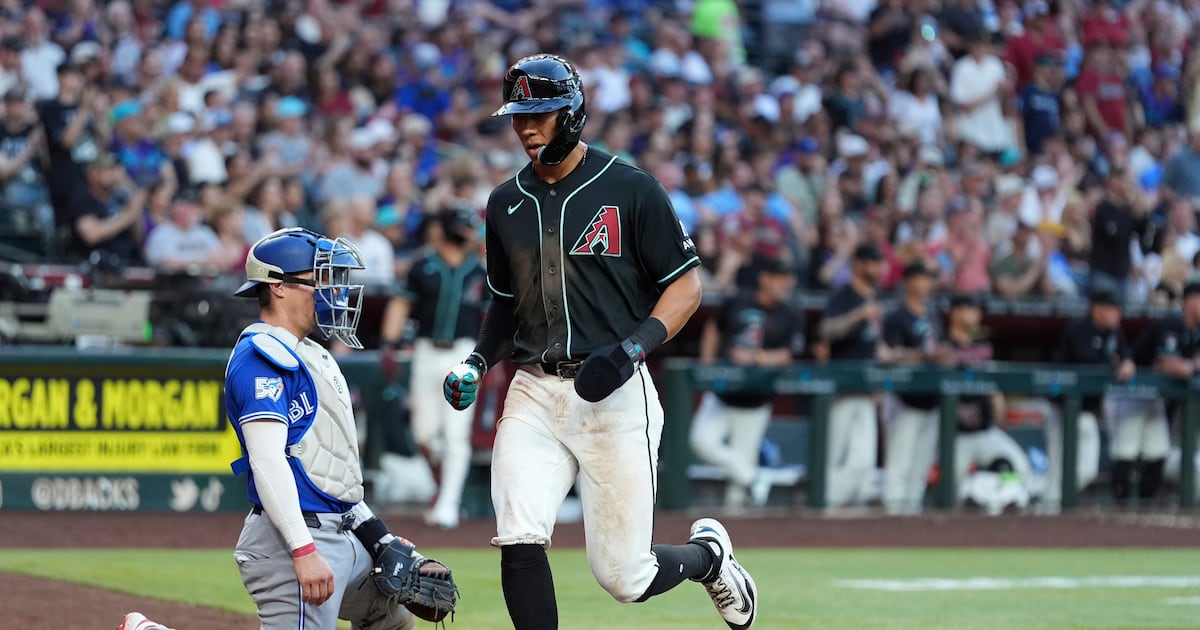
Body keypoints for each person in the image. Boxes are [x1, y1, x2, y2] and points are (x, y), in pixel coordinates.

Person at [441, 54, 757, 630]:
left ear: (574, 112)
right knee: (518, 530)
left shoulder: (631, 188)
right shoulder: (503, 202)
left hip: (612, 392)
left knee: (624, 576)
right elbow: (506, 303)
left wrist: (632, 349)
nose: (527, 128)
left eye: (541, 114)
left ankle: (710, 560)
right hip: (533, 391)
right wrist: (477, 360)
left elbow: (686, 288)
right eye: (518, 116)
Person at [224, 227, 455, 629]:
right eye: (321, 279)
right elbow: (266, 461)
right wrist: (302, 549)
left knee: (393, 618)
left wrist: (382, 540)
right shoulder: (261, 357)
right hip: (293, 538)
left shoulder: (310, 353)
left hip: (343, 532)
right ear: (278, 287)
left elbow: (334, 475)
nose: (333, 292)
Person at [378, 205, 488, 529]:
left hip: (463, 352)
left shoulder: (478, 271)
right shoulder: (423, 266)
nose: (469, 234)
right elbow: (401, 304)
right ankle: (443, 485)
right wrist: (389, 342)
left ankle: (449, 503)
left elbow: (490, 318)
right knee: (423, 432)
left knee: (456, 434)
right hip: (425, 350)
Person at [689, 255, 805, 509]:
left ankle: (740, 532)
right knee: (700, 441)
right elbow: (713, 328)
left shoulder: (790, 314)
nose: (785, 284)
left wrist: (757, 357)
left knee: (737, 489)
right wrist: (707, 363)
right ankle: (755, 478)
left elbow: (788, 355)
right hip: (722, 393)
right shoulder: (737, 301)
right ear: (765, 278)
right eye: (779, 278)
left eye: (787, 279)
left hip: (755, 400)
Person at [944, 294, 1036, 504]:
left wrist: (998, 408)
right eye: (969, 308)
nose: (974, 314)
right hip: (953, 435)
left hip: (985, 431)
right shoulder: (943, 345)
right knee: (950, 486)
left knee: (1019, 466)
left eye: (977, 310)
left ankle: (998, 494)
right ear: (955, 312)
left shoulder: (983, 346)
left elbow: (992, 386)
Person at [1048, 288, 1131, 509]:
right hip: (1062, 408)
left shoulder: (1114, 332)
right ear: (1097, 309)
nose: (1117, 315)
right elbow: (1088, 360)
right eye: (1112, 310)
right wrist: (1112, 362)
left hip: (1085, 412)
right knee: (1058, 463)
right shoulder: (1079, 328)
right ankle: (1048, 508)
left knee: (1086, 468)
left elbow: (1126, 354)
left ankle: (1050, 497)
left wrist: (1126, 362)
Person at [817, 242, 886, 507]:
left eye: (880, 262)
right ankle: (823, 510)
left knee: (863, 461)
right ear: (858, 263)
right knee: (833, 456)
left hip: (867, 391)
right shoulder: (843, 295)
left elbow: (875, 346)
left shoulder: (877, 298)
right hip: (842, 388)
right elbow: (826, 331)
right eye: (872, 262)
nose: (878, 268)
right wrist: (858, 315)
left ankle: (838, 510)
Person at [881, 261, 948, 515]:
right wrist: (922, 355)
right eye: (921, 278)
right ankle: (893, 515)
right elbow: (889, 355)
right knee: (900, 461)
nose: (926, 284)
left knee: (921, 464)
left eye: (929, 279)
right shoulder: (897, 315)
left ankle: (912, 514)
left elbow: (937, 348)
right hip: (903, 398)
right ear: (908, 281)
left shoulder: (932, 314)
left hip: (930, 398)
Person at [1126, 282, 1200, 505]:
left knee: (1157, 450)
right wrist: (1191, 366)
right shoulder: (1170, 324)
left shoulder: (1196, 331)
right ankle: (1120, 508)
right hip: (1131, 395)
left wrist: (1188, 366)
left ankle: (1144, 504)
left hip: (1158, 402)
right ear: (1189, 301)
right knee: (1126, 450)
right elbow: (1166, 364)